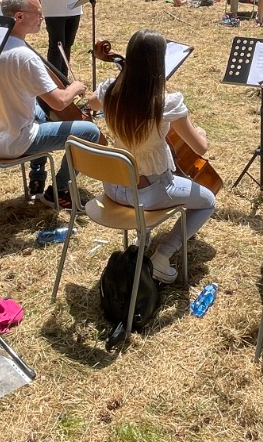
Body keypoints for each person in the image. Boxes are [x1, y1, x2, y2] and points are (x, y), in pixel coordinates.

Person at [90, 30, 217, 283]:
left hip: (113, 187)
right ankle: (162, 255)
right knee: (208, 201)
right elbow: (200, 148)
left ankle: (144, 234)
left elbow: (92, 103)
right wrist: (200, 132)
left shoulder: (109, 91)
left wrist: (120, 72)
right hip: (149, 191)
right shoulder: (165, 103)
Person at [0, 0, 102, 206]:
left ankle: (36, 179)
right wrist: (76, 87)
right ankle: (60, 190)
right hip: (14, 142)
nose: (42, 18)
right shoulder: (24, 57)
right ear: (20, 16)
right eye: (38, 13)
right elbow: (60, 101)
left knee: (40, 112)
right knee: (91, 132)